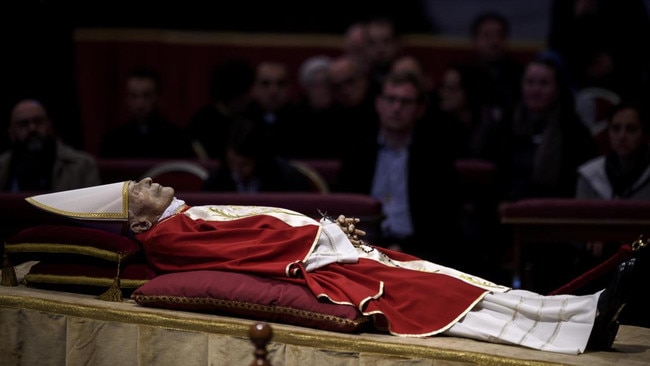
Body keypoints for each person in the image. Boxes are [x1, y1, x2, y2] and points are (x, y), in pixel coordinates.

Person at [25, 178, 644, 355]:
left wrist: (325, 232)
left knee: (450, 280)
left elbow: (265, 223)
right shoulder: (170, 237)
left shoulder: (181, 213)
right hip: (322, 270)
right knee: (441, 301)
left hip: (328, 252)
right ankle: (581, 325)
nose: (153, 183)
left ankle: (584, 315)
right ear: (135, 222)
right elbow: (246, 252)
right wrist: (322, 246)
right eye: (141, 189)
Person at [335, 70, 464, 270]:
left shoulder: (435, 159)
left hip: (420, 253)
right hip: (360, 251)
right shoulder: (357, 155)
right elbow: (342, 211)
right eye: (391, 99)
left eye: (405, 102)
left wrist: (403, 247)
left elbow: (443, 224)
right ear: (378, 104)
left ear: (419, 109)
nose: (396, 108)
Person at [0, 98, 101, 192]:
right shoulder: (3, 165)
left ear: (49, 126)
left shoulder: (83, 165)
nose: (32, 128)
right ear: (12, 133)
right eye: (23, 124)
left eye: (38, 122)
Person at [98, 66, 195, 159]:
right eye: (134, 96)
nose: (140, 103)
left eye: (146, 95)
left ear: (158, 97)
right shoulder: (114, 141)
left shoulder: (177, 139)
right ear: (127, 99)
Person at [201, 119, 313, 193]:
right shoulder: (216, 180)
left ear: (258, 159)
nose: (237, 170)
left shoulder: (286, 179)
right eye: (232, 163)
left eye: (244, 164)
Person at [188, 59, 256, 160]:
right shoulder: (203, 120)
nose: (251, 96)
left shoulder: (252, 116)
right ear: (234, 93)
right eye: (246, 92)